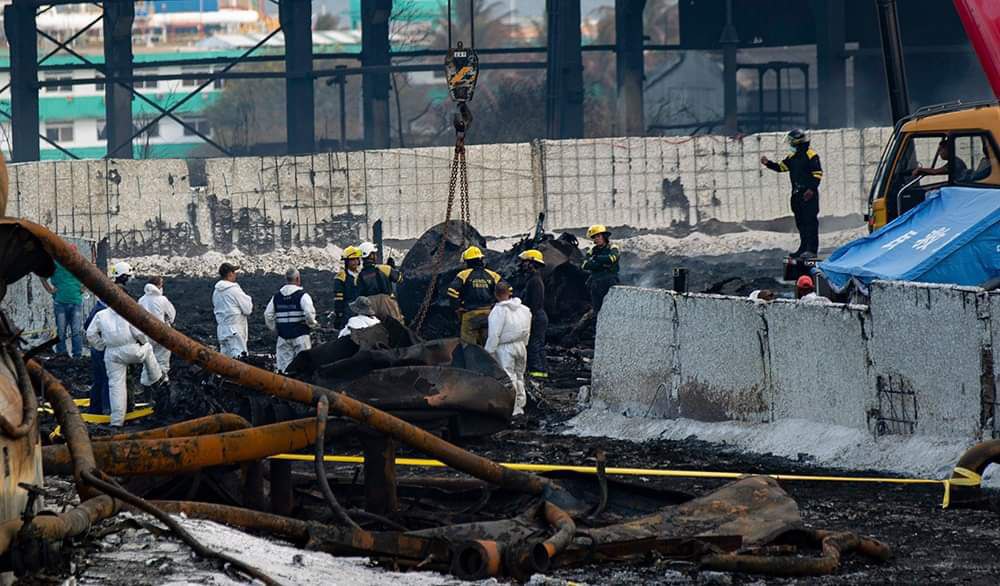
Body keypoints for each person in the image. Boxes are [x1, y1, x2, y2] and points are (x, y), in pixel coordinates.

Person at [86, 268, 164, 428]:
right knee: (148, 351)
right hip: (131, 349)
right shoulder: (128, 314)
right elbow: (139, 333)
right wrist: (142, 342)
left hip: (112, 353)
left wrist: (102, 346)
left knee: (116, 386)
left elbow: (90, 333)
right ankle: (156, 379)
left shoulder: (101, 315)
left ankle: (116, 421)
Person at [760, 129, 823, 259]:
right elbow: (782, 167)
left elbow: (817, 174)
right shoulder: (792, 157)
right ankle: (803, 248)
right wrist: (768, 164)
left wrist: (811, 189)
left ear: (797, 141)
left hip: (809, 196)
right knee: (801, 223)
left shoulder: (811, 155)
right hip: (797, 195)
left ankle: (812, 250)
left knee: (810, 222)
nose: (790, 144)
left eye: (791, 142)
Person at [83, 261, 133, 416]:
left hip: (101, 348)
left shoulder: (103, 299)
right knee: (109, 380)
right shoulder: (105, 307)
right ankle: (106, 409)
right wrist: (103, 345)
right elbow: (90, 328)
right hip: (106, 349)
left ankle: (96, 408)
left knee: (100, 380)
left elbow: (88, 327)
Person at [485, 282, 532, 417]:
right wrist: (525, 344)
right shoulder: (524, 309)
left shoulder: (498, 311)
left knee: (508, 377)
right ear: (509, 293)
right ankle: (520, 405)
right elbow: (528, 329)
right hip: (521, 346)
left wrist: (489, 352)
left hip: (505, 348)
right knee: (519, 375)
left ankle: (512, 407)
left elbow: (494, 334)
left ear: (496, 294)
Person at [264, 268, 318, 373]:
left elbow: (268, 314)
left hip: (283, 337)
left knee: (284, 368)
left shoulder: (276, 297)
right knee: (303, 367)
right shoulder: (303, 295)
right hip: (301, 335)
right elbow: (309, 313)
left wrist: (275, 328)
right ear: (298, 279)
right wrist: (312, 324)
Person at [447, 246, 503, 346]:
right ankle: (489, 361)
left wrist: (457, 308)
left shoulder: (463, 275)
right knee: (489, 346)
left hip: (470, 314)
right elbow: (508, 290)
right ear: (481, 259)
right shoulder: (493, 275)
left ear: (468, 261)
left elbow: (452, 291)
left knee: (469, 347)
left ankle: (471, 361)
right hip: (489, 315)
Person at [39, 250, 85, 359]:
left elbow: (89, 276)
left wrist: (84, 287)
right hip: (61, 303)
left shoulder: (77, 265)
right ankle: (62, 354)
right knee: (61, 331)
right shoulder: (54, 265)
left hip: (75, 302)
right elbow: (42, 277)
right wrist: (50, 290)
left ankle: (77, 356)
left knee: (76, 331)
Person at [138, 276, 176, 381]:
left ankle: (147, 387)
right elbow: (171, 315)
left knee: (148, 362)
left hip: (146, 335)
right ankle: (161, 383)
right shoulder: (162, 300)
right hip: (161, 334)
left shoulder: (141, 300)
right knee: (162, 361)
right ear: (158, 285)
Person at [518, 249, 548, 380]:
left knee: (534, 345)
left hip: (536, 317)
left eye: (525, 262)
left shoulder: (535, 281)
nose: (522, 265)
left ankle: (537, 374)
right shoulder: (533, 279)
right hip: (538, 316)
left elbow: (534, 303)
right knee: (538, 345)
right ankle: (542, 371)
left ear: (532, 263)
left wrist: (529, 318)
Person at [356, 241, 404, 322]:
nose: (375, 255)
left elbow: (359, 293)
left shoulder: (359, 276)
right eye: (374, 253)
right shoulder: (385, 269)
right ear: (371, 255)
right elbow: (400, 279)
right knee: (397, 326)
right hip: (386, 303)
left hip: (369, 306)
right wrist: (392, 268)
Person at [213, 262, 253, 358]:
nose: (235, 274)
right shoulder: (234, 290)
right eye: (234, 272)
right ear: (230, 273)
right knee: (239, 359)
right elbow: (248, 309)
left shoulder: (216, 292)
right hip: (235, 330)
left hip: (222, 330)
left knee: (225, 361)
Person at [581, 225, 620, 314]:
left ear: (604, 236)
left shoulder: (612, 247)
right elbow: (584, 265)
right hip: (595, 283)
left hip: (610, 282)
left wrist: (595, 260)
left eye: (598, 236)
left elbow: (612, 259)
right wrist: (602, 264)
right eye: (594, 237)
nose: (596, 239)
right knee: (597, 311)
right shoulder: (592, 250)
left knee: (612, 308)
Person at [334, 246, 363, 329]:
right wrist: (339, 314)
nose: (355, 262)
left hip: (362, 309)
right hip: (348, 310)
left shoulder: (361, 275)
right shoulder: (341, 277)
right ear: (346, 262)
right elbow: (338, 298)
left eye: (356, 259)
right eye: (352, 260)